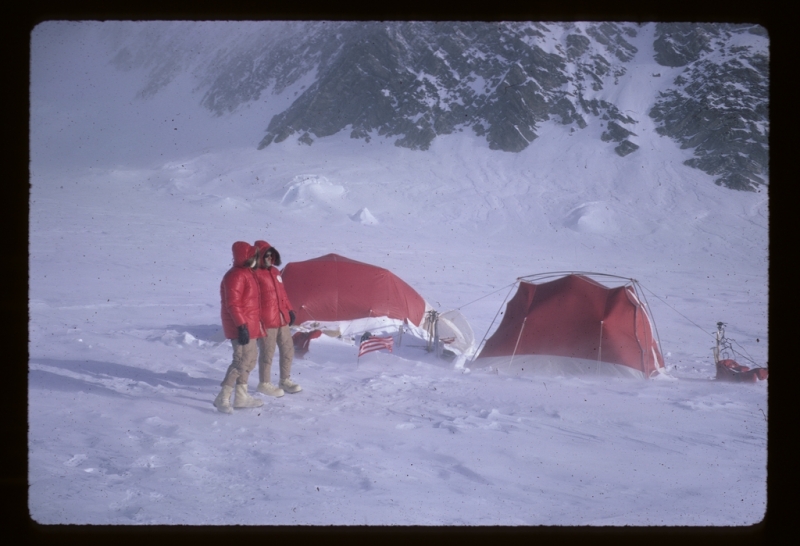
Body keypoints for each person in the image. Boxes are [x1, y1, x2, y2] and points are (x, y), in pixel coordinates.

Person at [213, 241, 265, 413]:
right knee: (241, 361)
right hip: (241, 326)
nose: (257, 259)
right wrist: (241, 326)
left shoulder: (247, 273)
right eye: (254, 256)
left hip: (250, 325)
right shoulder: (235, 276)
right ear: (247, 257)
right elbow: (233, 305)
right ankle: (223, 397)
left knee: (249, 360)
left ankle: (241, 396)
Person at [253, 240, 301, 395]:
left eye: (270, 254)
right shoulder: (254, 274)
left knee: (288, 349)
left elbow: (283, 295)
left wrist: (290, 310)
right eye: (265, 255)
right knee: (267, 352)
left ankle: (284, 380)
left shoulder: (275, 272)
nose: (268, 257)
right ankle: (264, 383)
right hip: (267, 321)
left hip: (282, 318)